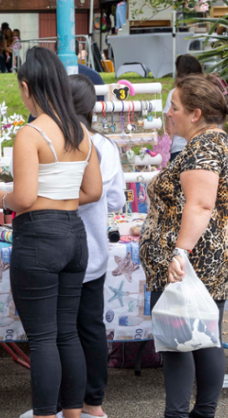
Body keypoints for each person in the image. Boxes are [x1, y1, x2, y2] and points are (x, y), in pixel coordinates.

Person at [0, 47, 101, 418]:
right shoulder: (81, 132)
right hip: (75, 234)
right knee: (67, 333)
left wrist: (1, 195)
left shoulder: (31, 133)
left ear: (26, 87)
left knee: (41, 339)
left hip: (39, 237)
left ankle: (44, 414)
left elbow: (22, 197)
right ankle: (73, 413)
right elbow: (93, 192)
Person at [139, 74, 228, 418]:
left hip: (191, 261)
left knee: (179, 342)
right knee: (205, 336)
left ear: (195, 113)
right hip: (212, 256)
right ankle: (202, 413)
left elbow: (200, 204)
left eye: (174, 107)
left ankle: (179, 414)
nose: (169, 113)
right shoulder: (220, 143)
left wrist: (179, 252)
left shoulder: (203, 149)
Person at [68, 75, 126, 418]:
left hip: (58, 251)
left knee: (62, 331)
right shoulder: (104, 145)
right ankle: (93, 402)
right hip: (93, 252)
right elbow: (117, 200)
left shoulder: (52, 139)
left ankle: (68, 403)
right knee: (90, 328)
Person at [164, 55, 204, 162]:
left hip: (179, 150)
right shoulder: (207, 93)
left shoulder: (175, 94)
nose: (169, 113)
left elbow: (169, 129)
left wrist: (164, 151)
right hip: (204, 148)